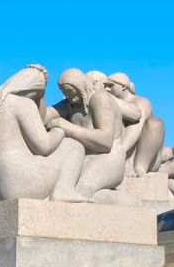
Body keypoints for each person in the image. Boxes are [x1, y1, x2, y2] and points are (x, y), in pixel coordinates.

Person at [0, 64, 88, 203]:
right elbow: (44, 146)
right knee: (73, 145)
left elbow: (39, 119)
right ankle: (63, 190)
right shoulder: (22, 102)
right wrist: (60, 129)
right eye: (38, 95)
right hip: (21, 185)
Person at [46, 68, 127, 198]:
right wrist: (39, 92)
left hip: (109, 158)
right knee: (56, 187)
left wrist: (65, 126)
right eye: (64, 92)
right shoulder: (70, 103)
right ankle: (116, 200)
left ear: (79, 85)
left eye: (70, 91)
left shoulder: (99, 98)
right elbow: (43, 116)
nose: (67, 96)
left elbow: (105, 142)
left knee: (77, 190)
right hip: (83, 159)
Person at [109, 72, 165, 176]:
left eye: (110, 86)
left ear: (123, 86)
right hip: (120, 153)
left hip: (144, 157)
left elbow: (135, 129)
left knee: (155, 123)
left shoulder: (141, 102)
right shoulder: (112, 103)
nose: (107, 89)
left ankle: (139, 166)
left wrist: (119, 154)